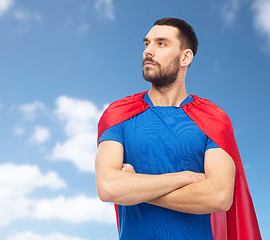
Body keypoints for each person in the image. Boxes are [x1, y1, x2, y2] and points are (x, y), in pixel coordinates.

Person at [95, 17, 261, 240]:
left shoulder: (213, 119)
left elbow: (219, 197)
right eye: (147, 44)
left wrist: (135, 189)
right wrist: (187, 177)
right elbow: (108, 188)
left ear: (185, 57)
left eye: (161, 43)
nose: (148, 51)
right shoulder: (118, 114)